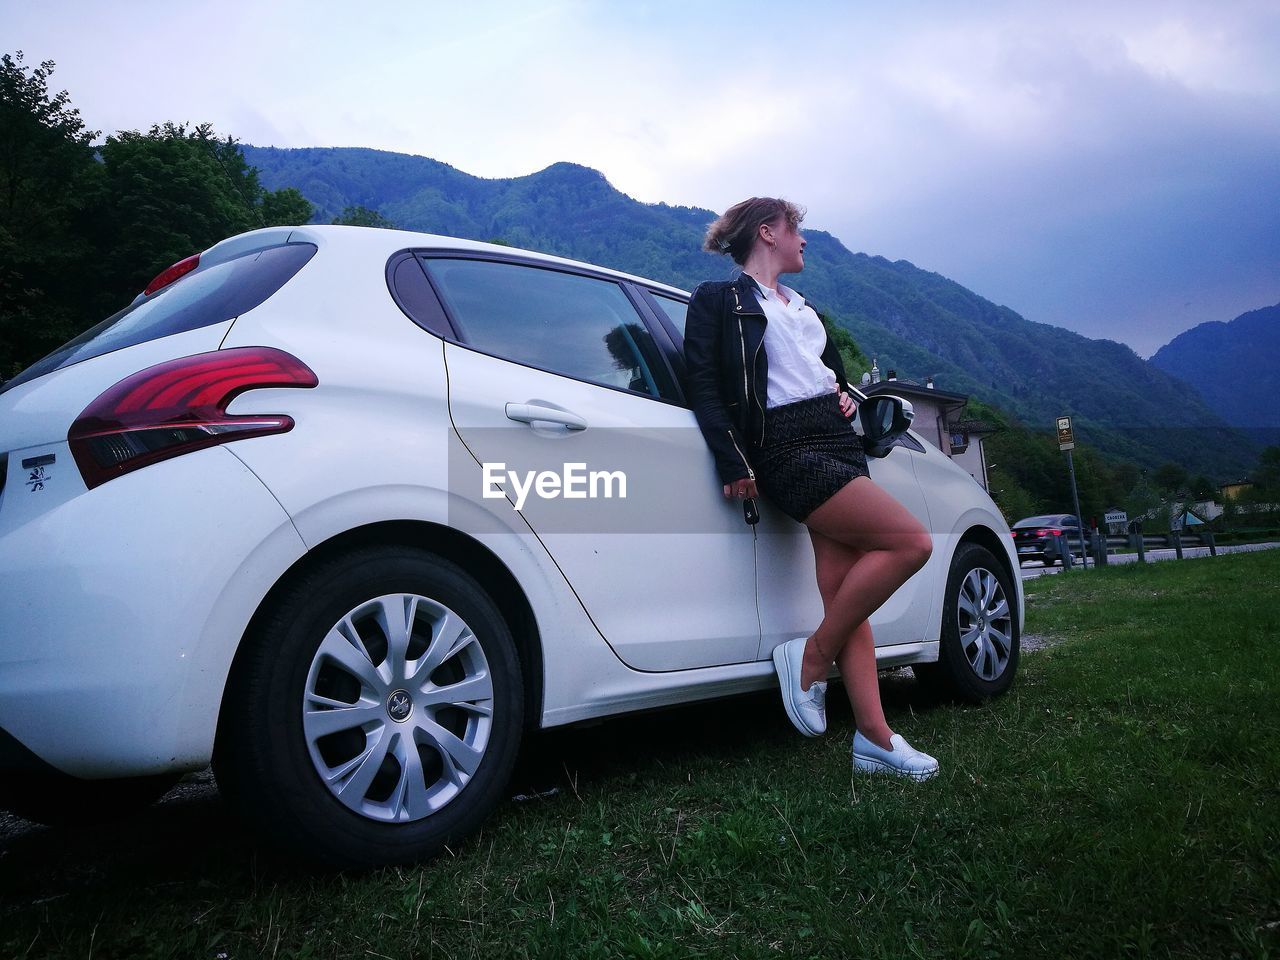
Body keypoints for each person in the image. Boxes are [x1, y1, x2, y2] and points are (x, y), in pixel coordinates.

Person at [683, 197, 939, 780]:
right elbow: (702, 384)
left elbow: (822, 373)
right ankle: (812, 658)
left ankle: (874, 738)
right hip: (787, 447)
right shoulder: (719, 300)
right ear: (768, 233)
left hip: (836, 438)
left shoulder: (801, 307)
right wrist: (733, 459)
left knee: (844, 588)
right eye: (798, 230)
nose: (806, 241)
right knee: (910, 543)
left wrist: (847, 392)